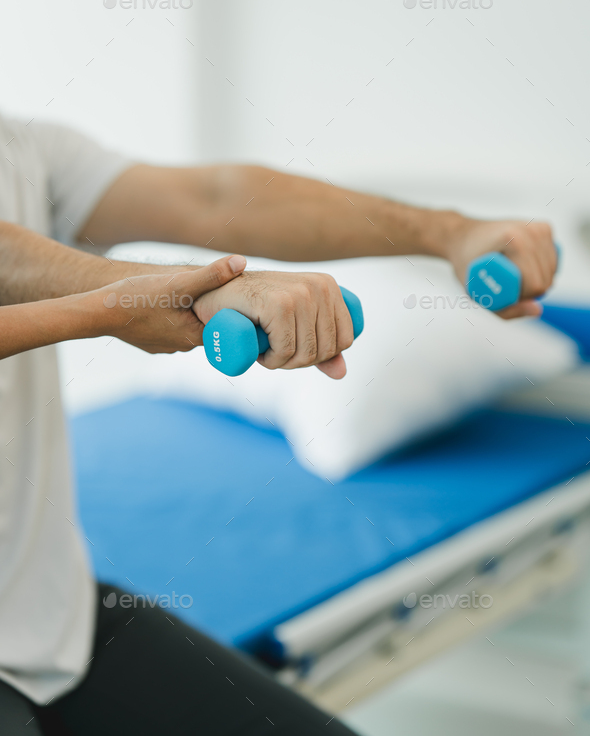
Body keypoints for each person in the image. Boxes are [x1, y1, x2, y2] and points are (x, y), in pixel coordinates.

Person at [0, 112, 558, 735]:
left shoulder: (21, 144)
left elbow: (214, 198)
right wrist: (129, 300)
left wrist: (451, 232)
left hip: (53, 619)